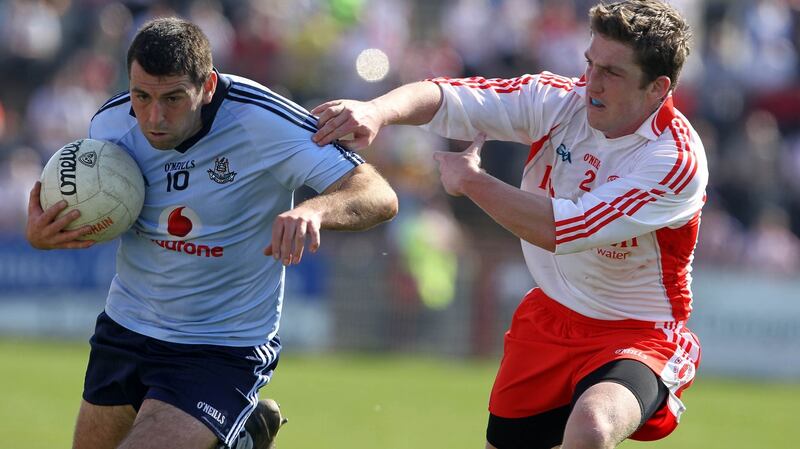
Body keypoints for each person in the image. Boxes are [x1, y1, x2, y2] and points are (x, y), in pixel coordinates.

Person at [311, 1, 706, 448]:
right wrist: (377, 111)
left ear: (657, 88)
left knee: (592, 425)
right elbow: (449, 96)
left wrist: (472, 183)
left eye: (612, 73)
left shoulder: (674, 160)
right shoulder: (560, 100)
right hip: (548, 319)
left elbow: (563, 231)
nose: (591, 83)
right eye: (590, 63)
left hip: (638, 332)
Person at [25, 17, 398, 449]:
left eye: (173, 98)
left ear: (207, 86)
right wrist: (48, 233)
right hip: (125, 329)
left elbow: (378, 195)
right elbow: (104, 214)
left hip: (220, 348)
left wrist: (314, 211)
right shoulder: (109, 126)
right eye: (141, 96)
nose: (153, 116)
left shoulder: (263, 121)